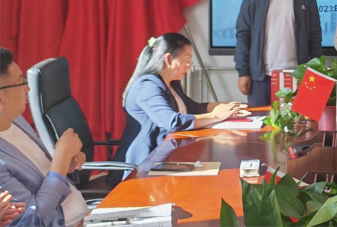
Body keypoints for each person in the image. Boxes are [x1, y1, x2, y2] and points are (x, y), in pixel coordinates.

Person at [109, 34, 241, 185]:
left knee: (217, 169)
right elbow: (172, 121)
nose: (189, 66)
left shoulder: (171, 83)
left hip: (167, 155)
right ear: (168, 59)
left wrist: (225, 107)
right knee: (214, 176)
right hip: (145, 163)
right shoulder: (147, 86)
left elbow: (192, 108)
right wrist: (216, 116)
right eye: (186, 60)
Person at [0, 47, 88, 227]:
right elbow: (34, 221)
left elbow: (39, 176)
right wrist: (60, 160)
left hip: (85, 215)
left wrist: (66, 167)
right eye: (21, 82)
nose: (28, 89)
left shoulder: (15, 119)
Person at [236, 0, 323, 106]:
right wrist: (243, 71)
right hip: (261, 76)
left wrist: (316, 72)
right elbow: (243, 35)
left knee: (297, 121)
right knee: (260, 121)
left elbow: (314, 37)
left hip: (297, 74)